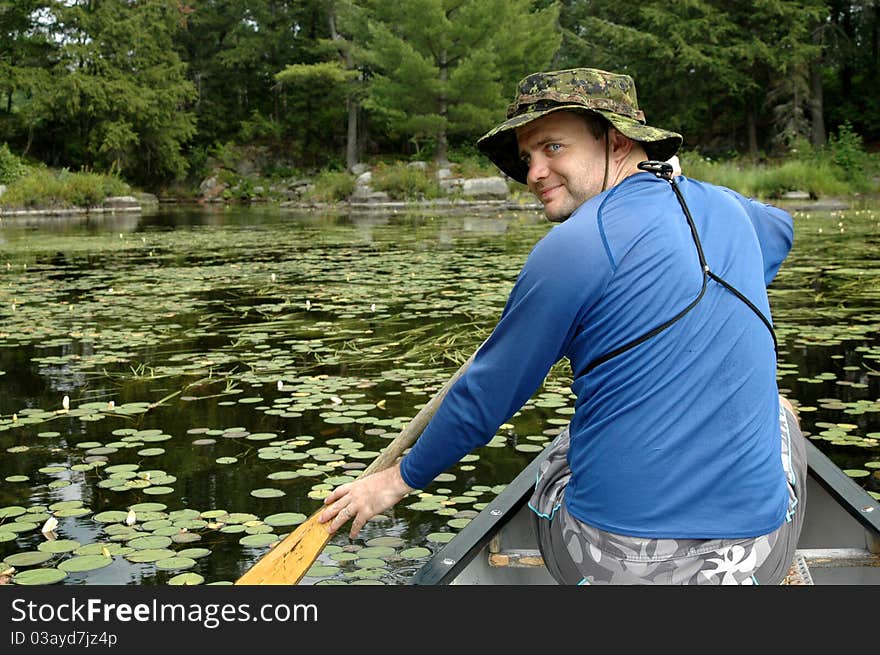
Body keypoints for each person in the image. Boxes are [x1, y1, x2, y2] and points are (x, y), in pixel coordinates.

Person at [318, 67, 807, 585]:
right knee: (780, 414)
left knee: (563, 448)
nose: (534, 173)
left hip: (613, 564)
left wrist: (393, 483)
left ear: (616, 142)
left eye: (553, 148)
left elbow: (484, 398)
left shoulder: (572, 247)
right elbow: (781, 229)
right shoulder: (728, 209)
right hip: (756, 556)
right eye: (529, 157)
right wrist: (679, 193)